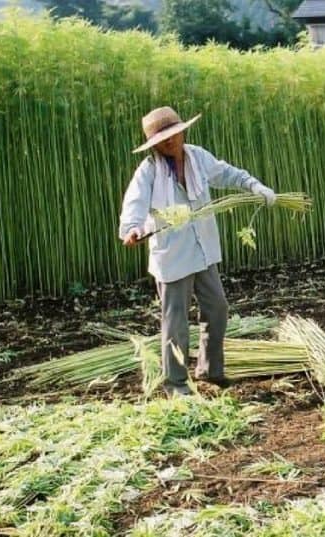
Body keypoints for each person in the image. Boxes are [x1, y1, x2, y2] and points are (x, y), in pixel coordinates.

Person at [118, 106, 278, 396]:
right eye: (162, 139)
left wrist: (254, 185)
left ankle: (210, 370)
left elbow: (226, 174)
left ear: (182, 131)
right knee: (175, 321)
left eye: (173, 134)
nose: (170, 142)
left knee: (217, 307)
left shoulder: (197, 156)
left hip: (203, 248)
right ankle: (176, 383)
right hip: (173, 256)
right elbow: (135, 203)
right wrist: (133, 228)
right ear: (154, 144)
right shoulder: (150, 169)